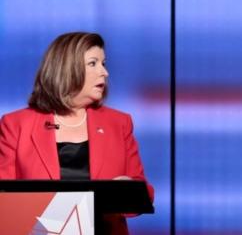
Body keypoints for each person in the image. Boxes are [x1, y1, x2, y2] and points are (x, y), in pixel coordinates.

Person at [0, 32, 154, 234]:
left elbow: (145, 193)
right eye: (93, 63)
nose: (104, 72)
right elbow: (4, 198)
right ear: (66, 69)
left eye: (103, 63)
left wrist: (127, 191)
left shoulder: (119, 123)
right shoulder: (16, 124)